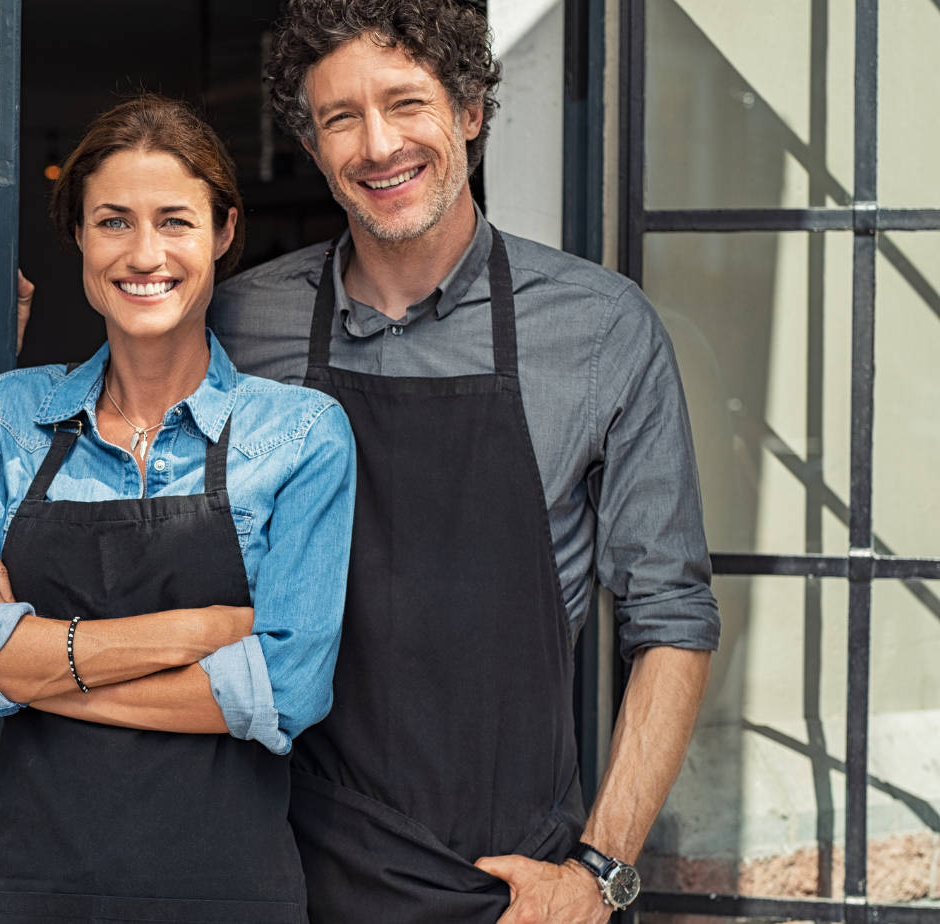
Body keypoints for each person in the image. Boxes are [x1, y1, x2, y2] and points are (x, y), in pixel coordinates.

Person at [206, 2, 719, 921]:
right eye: (340, 118)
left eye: (406, 103)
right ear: (314, 147)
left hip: (509, 886)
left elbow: (671, 619)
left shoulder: (600, 331)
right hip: (279, 867)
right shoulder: (242, 326)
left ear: (471, 109)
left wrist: (600, 876)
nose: (377, 145)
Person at [0, 95, 356, 924]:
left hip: (229, 896)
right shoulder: (10, 418)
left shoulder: (298, 435)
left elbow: (286, 690)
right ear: (78, 235)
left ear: (222, 233)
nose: (146, 254)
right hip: (34, 890)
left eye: (175, 221)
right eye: (113, 222)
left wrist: (29, 670)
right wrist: (198, 632)